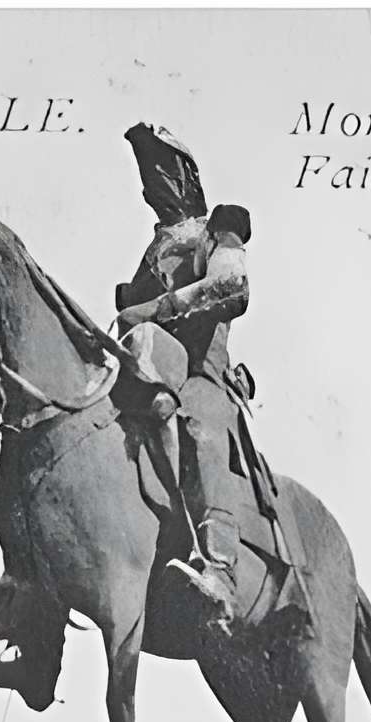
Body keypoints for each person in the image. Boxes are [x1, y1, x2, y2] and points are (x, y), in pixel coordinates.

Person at [114, 124, 254, 629]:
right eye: (146, 175)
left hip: (199, 373)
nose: (151, 186)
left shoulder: (216, 231)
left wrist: (160, 305)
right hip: (149, 370)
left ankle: (219, 569)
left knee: (201, 427)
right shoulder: (154, 250)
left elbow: (232, 286)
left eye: (161, 172)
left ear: (187, 179)